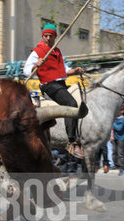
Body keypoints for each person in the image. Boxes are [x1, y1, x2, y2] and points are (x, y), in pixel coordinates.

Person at [23, 22, 86, 159]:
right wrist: (35, 65)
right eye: (46, 35)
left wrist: (74, 71)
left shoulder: (57, 51)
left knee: (82, 97)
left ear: (55, 37)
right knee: (71, 104)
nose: (48, 38)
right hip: (49, 85)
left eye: (51, 36)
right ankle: (71, 142)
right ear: (43, 36)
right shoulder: (37, 52)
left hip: (62, 84)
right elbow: (26, 70)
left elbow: (64, 69)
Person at [112, 105, 124, 176]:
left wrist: (112, 123)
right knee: (114, 152)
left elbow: (119, 128)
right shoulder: (115, 118)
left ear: (122, 111)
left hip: (121, 138)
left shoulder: (123, 119)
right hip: (115, 137)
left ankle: (121, 167)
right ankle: (115, 165)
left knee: (120, 153)